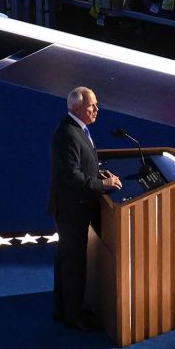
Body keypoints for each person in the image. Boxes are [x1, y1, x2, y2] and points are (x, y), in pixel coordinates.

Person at [48, 86, 123, 331]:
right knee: (73, 264)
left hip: (76, 206)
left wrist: (98, 174)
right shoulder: (68, 134)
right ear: (75, 108)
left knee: (68, 260)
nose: (96, 110)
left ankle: (63, 309)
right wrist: (103, 184)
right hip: (72, 210)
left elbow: (81, 165)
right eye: (91, 106)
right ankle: (73, 316)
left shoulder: (79, 130)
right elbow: (72, 177)